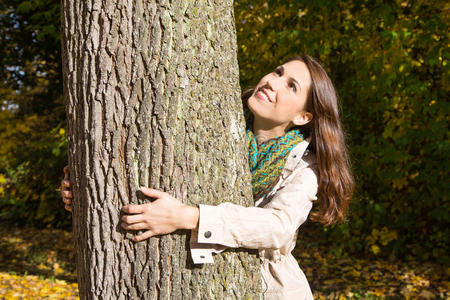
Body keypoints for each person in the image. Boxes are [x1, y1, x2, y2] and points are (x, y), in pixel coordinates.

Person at [61, 55, 354, 299]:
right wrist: (93, 192)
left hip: (270, 289)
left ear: (303, 117)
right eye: (278, 72)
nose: (272, 82)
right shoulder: (215, 121)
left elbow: (278, 226)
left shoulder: (304, 166)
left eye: (291, 86)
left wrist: (187, 217)